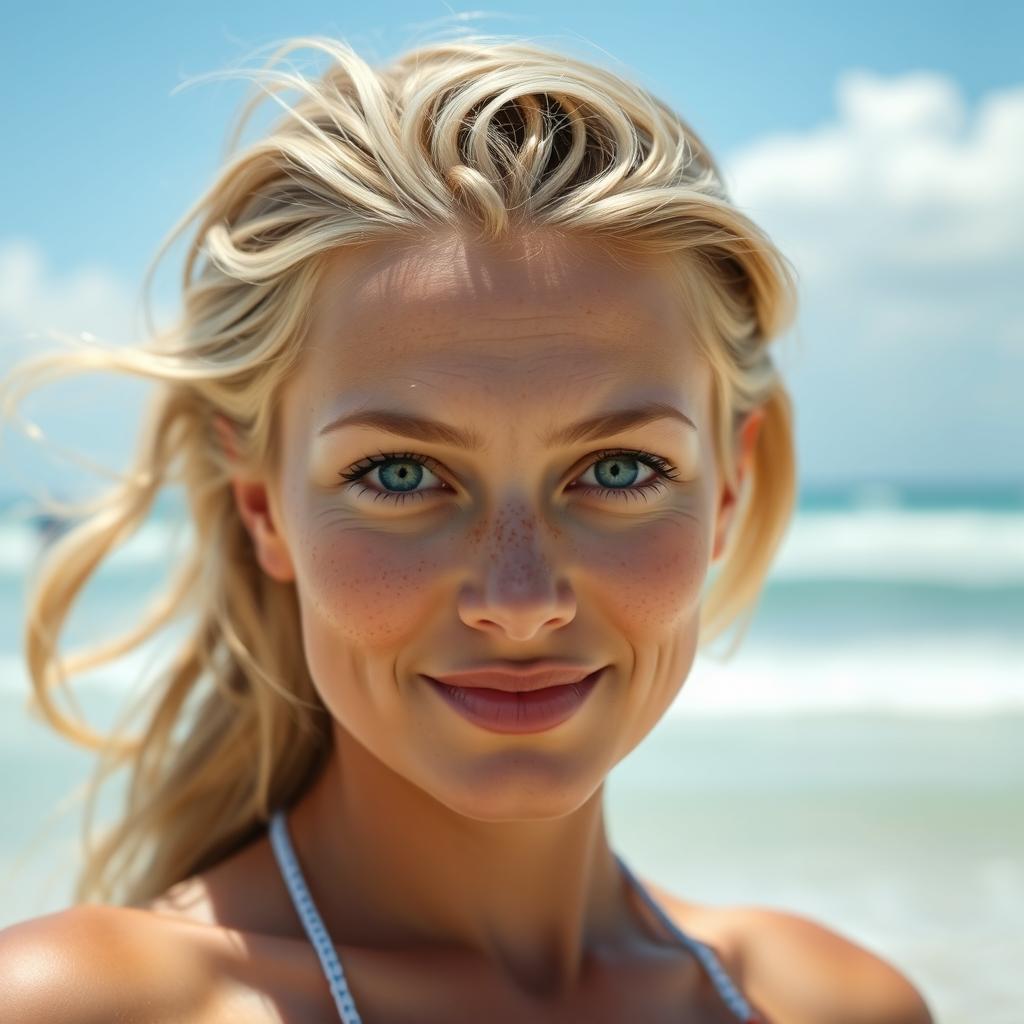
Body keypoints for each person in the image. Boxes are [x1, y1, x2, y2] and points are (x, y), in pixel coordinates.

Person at [0, 32, 933, 1023]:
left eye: (619, 469)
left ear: (729, 488)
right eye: (400, 474)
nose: (521, 601)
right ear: (261, 503)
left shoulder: (834, 1004)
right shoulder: (83, 1004)